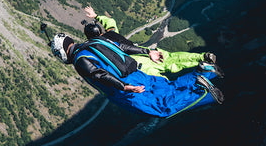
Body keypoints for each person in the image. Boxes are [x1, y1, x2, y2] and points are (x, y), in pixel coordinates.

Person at [49, 24, 223, 118]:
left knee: (162, 109)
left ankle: (200, 88)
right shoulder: (96, 41)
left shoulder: (80, 60)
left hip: (127, 85)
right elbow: (123, 47)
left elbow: (99, 74)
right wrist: (148, 52)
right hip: (138, 73)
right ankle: (202, 71)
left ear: (61, 52)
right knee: (168, 89)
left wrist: (124, 87)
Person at [82, 5, 222, 79]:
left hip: (138, 66)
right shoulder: (111, 33)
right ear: (100, 31)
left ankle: (196, 81)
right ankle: (202, 58)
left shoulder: (97, 49)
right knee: (173, 59)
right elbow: (110, 21)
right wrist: (95, 16)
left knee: (162, 84)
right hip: (145, 53)